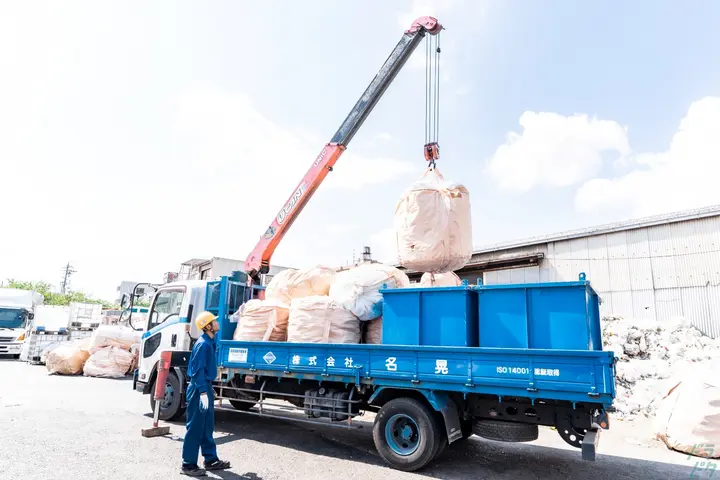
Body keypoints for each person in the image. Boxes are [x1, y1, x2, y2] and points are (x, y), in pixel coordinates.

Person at [181, 311, 232, 477]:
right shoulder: (203, 344)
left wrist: (209, 389)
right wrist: (203, 391)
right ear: (207, 326)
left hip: (205, 387)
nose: (217, 323)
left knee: (207, 426)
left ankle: (210, 459)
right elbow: (197, 371)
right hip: (198, 389)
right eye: (214, 321)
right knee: (195, 427)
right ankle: (188, 464)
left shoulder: (210, 341)